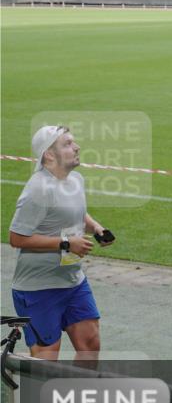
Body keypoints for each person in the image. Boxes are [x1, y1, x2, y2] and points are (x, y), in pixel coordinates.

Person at [8, 125, 114, 362]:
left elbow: (77, 215)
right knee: (46, 359)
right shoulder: (37, 190)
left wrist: (96, 228)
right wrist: (66, 243)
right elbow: (16, 238)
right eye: (67, 144)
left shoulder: (75, 179)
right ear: (49, 154)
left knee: (90, 345)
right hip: (39, 289)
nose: (76, 147)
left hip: (73, 281)